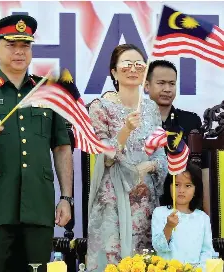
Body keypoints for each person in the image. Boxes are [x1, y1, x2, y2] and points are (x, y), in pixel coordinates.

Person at [0, 14, 73, 272]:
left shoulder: (47, 89)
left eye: (25, 45)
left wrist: (66, 198)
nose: (19, 52)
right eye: (11, 45)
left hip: (38, 208)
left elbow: (62, 146)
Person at [86, 44, 168, 271]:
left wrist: (149, 165)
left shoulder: (150, 108)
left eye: (139, 65)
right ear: (113, 71)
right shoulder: (100, 107)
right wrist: (125, 130)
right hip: (113, 196)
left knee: (146, 262)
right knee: (113, 261)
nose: (133, 69)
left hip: (144, 197)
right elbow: (105, 156)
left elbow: (160, 151)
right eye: (126, 64)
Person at [145, 60, 210, 216]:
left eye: (172, 84)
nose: (167, 89)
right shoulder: (136, 121)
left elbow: (204, 170)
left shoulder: (191, 120)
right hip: (144, 201)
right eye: (161, 83)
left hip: (183, 203)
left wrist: (207, 214)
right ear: (147, 86)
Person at [152, 163, 214, 270]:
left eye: (188, 185)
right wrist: (169, 226)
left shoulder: (202, 218)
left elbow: (207, 251)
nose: (181, 190)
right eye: (176, 184)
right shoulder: (160, 213)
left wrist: (199, 269)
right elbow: (158, 247)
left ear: (196, 190)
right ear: (169, 186)